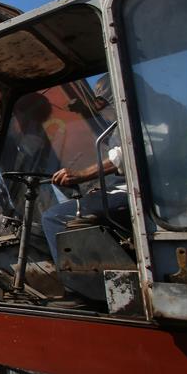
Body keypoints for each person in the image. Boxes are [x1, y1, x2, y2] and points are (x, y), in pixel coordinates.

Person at [40, 74, 129, 270]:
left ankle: (78, 287)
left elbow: (127, 154)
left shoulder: (145, 115)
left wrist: (81, 175)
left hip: (136, 193)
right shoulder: (122, 123)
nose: (99, 108)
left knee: (53, 217)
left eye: (101, 102)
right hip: (126, 189)